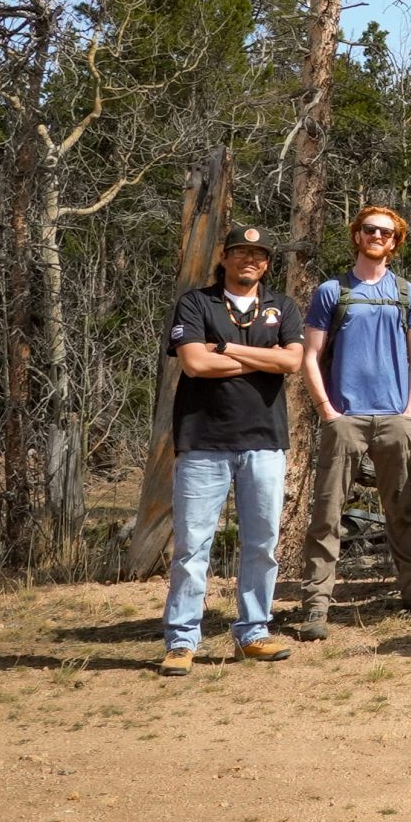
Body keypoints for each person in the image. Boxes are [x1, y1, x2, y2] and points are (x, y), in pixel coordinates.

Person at [160, 224, 304, 675]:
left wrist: (228, 349)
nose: (249, 261)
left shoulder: (283, 306)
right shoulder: (196, 302)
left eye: (258, 255)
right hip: (203, 441)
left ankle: (253, 632)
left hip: (264, 442)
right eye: (241, 252)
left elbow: (293, 361)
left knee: (262, 543)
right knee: (191, 546)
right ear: (224, 256)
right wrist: (261, 359)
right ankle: (182, 641)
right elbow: (195, 363)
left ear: (266, 263)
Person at [299, 205, 411, 640]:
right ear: (357, 235)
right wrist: (327, 410)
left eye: (387, 233)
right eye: (370, 230)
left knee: (402, 511)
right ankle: (316, 606)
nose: (378, 236)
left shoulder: (407, 294)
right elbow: (310, 356)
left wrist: (410, 407)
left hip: (394, 417)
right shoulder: (331, 292)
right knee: (327, 513)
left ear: (396, 242)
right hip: (346, 418)